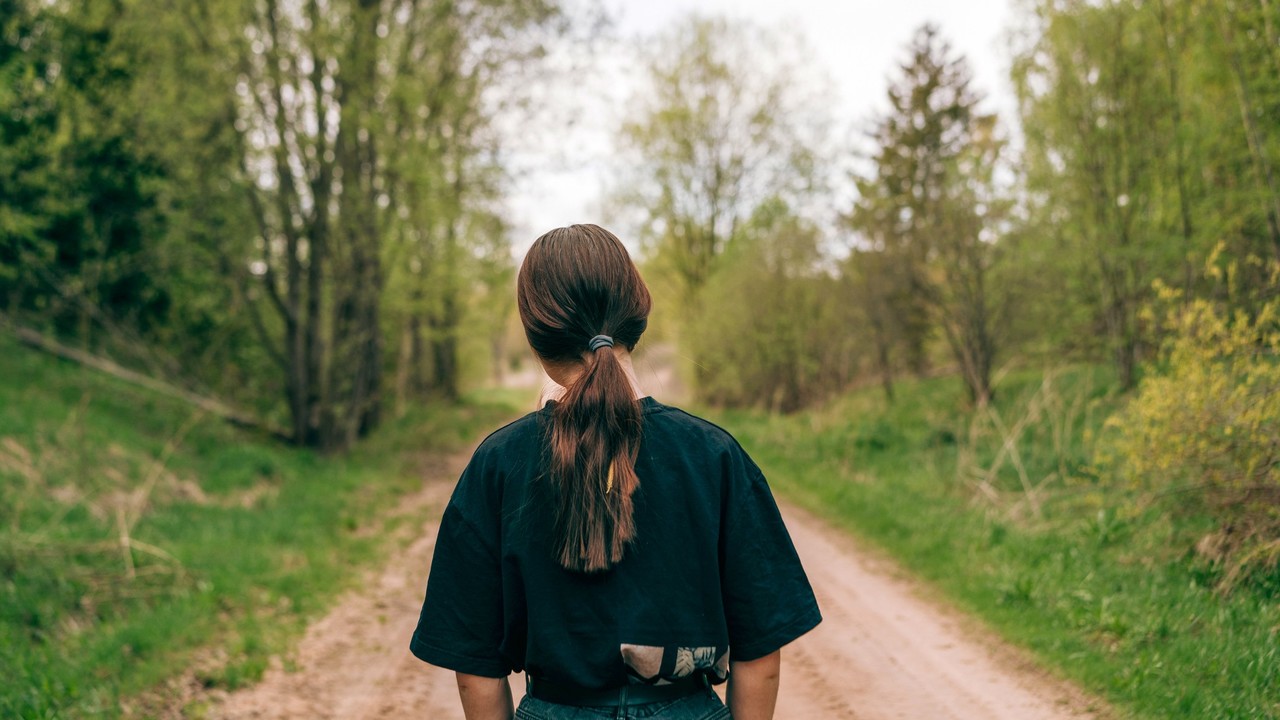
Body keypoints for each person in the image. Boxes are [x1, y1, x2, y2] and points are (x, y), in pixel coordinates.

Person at [410, 224, 821, 720]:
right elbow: (761, 652)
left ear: (538, 339)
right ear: (636, 316)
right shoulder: (714, 456)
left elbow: (475, 668)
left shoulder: (498, 464)